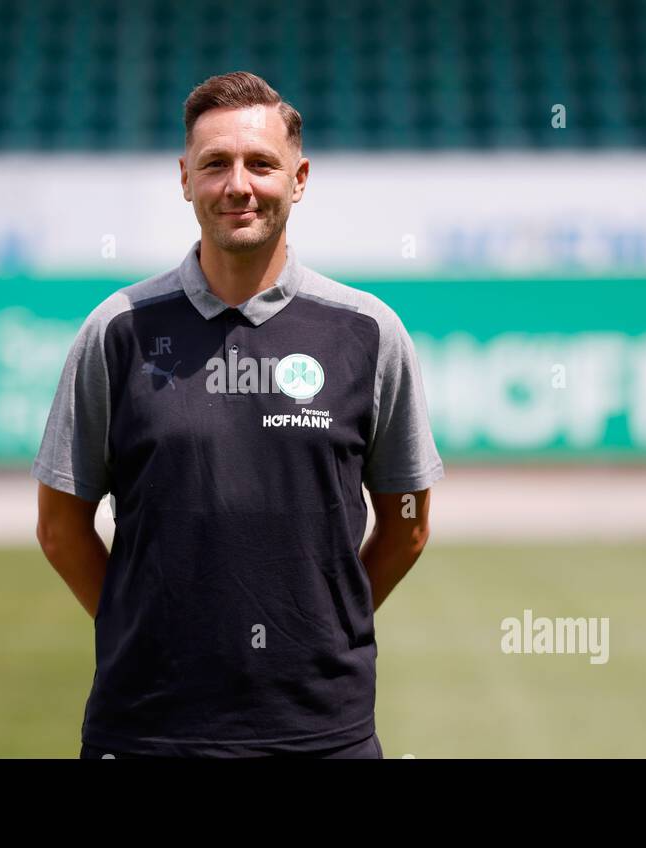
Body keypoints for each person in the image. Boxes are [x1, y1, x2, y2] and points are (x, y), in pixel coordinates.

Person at [33, 71, 443, 758]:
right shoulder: (119, 330)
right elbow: (59, 526)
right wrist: (141, 630)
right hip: (148, 728)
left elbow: (409, 524)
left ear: (301, 178)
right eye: (215, 163)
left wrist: (322, 630)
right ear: (185, 178)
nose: (238, 185)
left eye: (261, 163)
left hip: (321, 731)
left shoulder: (368, 332)